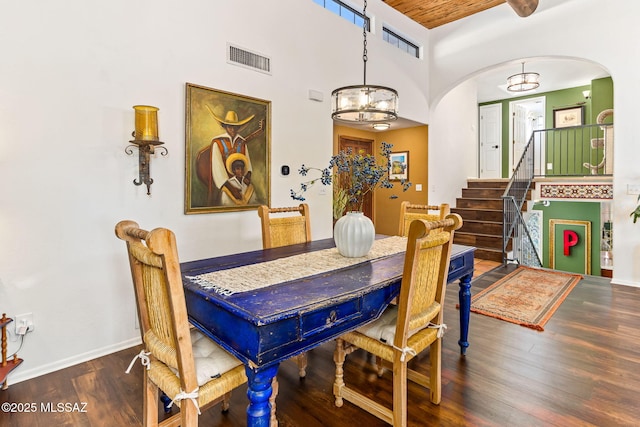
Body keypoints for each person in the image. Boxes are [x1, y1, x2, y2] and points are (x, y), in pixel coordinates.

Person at [195, 108, 263, 206]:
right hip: (224, 184)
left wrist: (247, 176)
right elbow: (217, 168)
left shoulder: (241, 141)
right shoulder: (217, 142)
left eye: (235, 127)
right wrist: (230, 188)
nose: (232, 129)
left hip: (241, 180)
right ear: (225, 127)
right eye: (230, 126)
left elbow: (247, 160)